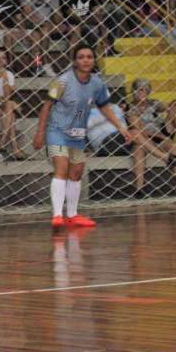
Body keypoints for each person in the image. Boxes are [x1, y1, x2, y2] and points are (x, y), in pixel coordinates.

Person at [32, 44, 131, 228]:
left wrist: (120, 126)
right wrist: (40, 133)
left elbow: (104, 107)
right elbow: (46, 106)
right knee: (61, 167)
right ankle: (57, 216)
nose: (85, 60)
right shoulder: (62, 81)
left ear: (94, 60)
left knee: (76, 173)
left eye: (89, 57)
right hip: (57, 131)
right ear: (75, 61)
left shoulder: (97, 84)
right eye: (81, 57)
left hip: (77, 134)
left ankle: (72, 215)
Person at [87, 102, 176, 196]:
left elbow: (125, 125)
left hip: (123, 140)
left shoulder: (114, 107)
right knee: (134, 133)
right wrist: (86, 149)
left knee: (138, 146)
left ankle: (139, 189)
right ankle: (167, 158)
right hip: (104, 144)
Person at [127, 77, 176, 156]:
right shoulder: (129, 108)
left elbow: (171, 107)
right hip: (148, 136)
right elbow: (137, 131)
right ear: (134, 91)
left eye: (146, 90)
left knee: (175, 110)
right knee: (172, 147)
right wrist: (161, 136)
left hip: (162, 131)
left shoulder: (153, 103)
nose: (143, 92)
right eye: (140, 89)